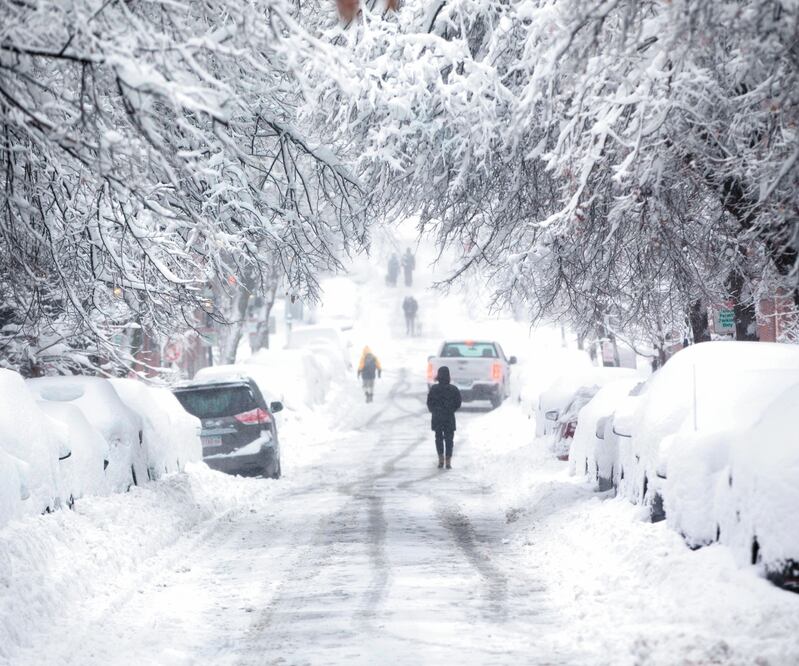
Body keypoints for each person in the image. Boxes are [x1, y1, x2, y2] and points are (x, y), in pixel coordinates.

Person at [426, 366, 462, 469]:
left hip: (437, 417)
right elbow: (458, 403)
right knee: (449, 439)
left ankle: (440, 459)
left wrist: (434, 411)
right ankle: (448, 460)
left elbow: (429, 403)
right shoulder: (453, 389)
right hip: (449, 417)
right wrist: (450, 410)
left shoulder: (434, 389)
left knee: (438, 438)